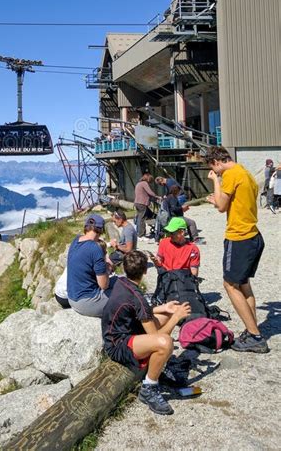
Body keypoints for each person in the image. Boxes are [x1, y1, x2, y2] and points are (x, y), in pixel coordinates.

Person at [102, 251, 191, 415]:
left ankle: (158, 365)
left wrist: (164, 308)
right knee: (166, 344)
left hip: (119, 331)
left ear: (125, 268)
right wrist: (176, 318)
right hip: (117, 345)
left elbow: (137, 310)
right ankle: (149, 387)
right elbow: (159, 337)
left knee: (164, 316)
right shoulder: (138, 298)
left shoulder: (122, 283)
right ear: (145, 271)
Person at [205, 146, 268, 353]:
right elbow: (229, 203)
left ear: (216, 162)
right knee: (243, 284)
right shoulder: (245, 172)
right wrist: (217, 199)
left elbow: (222, 207)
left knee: (230, 284)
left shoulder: (230, 174)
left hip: (239, 237)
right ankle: (253, 330)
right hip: (253, 235)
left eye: (214, 169)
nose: (217, 172)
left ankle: (255, 337)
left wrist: (215, 181)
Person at [67, 214, 116, 317]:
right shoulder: (95, 248)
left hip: (72, 297)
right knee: (125, 295)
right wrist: (107, 268)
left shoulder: (76, 240)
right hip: (86, 301)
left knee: (119, 281)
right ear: (101, 230)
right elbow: (104, 285)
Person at [134, 173, 160, 240]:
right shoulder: (144, 183)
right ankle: (141, 235)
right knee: (142, 219)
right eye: (150, 180)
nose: (150, 182)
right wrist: (157, 196)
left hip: (137, 203)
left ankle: (139, 233)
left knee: (146, 216)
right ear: (148, 179)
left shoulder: (138, 183)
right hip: (142, 203)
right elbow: (150, 192)